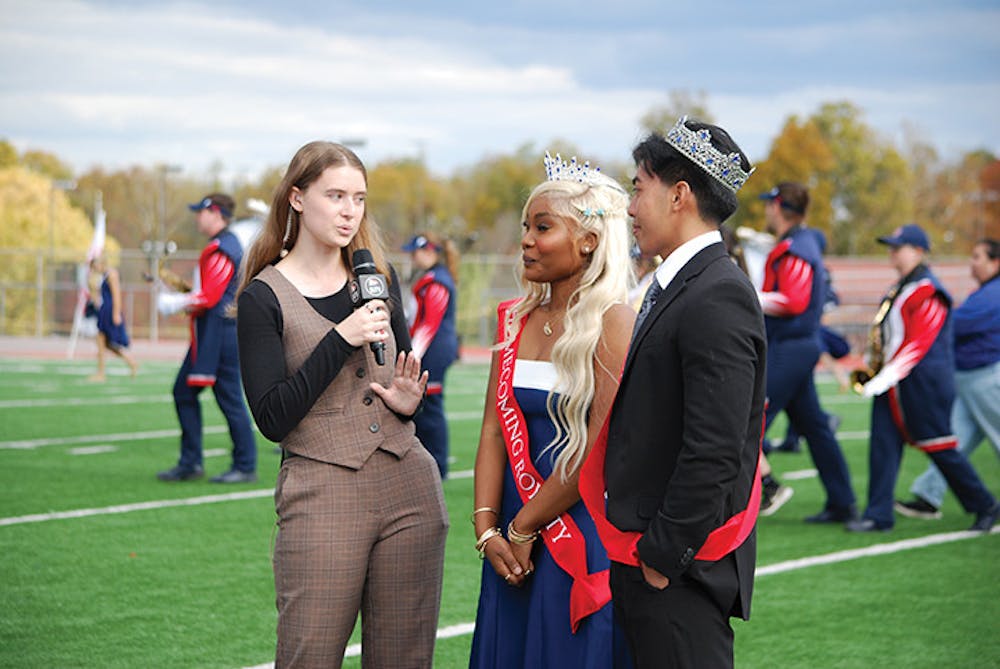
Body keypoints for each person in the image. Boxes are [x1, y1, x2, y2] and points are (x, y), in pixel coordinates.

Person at [235, 141, 448, 668]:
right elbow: (273, 417)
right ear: (298, 198)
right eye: (335, 195)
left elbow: (393, 377)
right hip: (322, 489)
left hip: (409, 485)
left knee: (405, 658)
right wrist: (339, 337)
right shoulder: (263, 296)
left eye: (358, 197)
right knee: (310, 655)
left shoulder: (379, 278)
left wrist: (407, 401)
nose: (350, 210)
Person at [582, 118, 766, 669]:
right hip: (658, 561)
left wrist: (662, 554)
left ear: (679, 194)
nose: (631, 206)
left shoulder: (716, 295)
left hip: (677, 570)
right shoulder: (688, 284)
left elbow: (714, 447)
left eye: (639, 187)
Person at [470, 153, 635, 668]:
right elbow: (495, 432)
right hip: (510, 537)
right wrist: (487, 532)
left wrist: (523, 528)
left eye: (543, 227)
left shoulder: (614, 323)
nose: (526, 240)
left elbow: (596, 449)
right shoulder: (514, 320)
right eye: (526, 226)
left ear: (588, 240)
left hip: (575, 533)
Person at [847, 226, 1000, 532]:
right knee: (883, 445)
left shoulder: (929, 290)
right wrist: (874, 368)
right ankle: (878, 515)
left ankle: (984, 505)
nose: (892, 252)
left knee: (939, 446)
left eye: (898, 247)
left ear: (918, 251)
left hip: (923, 384)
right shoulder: (902, 287)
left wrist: (882, 378)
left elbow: (918, 344)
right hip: (896, 383)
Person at [756, 183, 857, 523]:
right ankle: (842, 502)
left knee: (746, 421)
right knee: (816, 429)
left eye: (770, 204)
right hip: (795, 345)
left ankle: (764, 490)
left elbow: (793, 300)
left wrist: (746, 296)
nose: (766, 211)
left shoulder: (797, 247)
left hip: (791, 346)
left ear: (779, 206)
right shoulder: (802, 242)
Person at [155, 193, 258, 483]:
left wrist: (172, 303)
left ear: (215, 213)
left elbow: (211, 296)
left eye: (201, 212)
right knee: (183, 392)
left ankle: (246, 465)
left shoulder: (223, 248)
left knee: (230, 400)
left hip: (222, 336)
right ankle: (190, 462)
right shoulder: (223, 246)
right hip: (211, 334)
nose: (197, 217)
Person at [897, 238, 1000, 519]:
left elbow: (953, 323)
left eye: (978, 256)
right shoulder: (986, 291)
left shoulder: (994, 293)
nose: (972, 262)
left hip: (987, 380)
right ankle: (929, 495)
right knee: (949, 439)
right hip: (970, 381)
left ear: (995, 262)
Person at [402, 231, 461, 479]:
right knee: (423, 408)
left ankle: (438, 465)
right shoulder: (431, 278)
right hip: (428, 350)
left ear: (428, 251)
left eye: (415, 253)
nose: (413, 258)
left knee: (431, 409)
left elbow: (429, 323)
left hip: (433, 353)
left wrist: (413, 355)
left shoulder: (438, 281)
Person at [87, 253, 138, 381]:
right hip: (104, 310)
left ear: (101, 263)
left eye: (95, 266)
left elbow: (117, 295)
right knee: (108, 344)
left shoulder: (112, 274)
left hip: (110, 311)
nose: (95, 269)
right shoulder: (103, 276)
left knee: (101, 341)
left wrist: (116, 314)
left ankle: (101, 373)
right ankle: (131, 362)